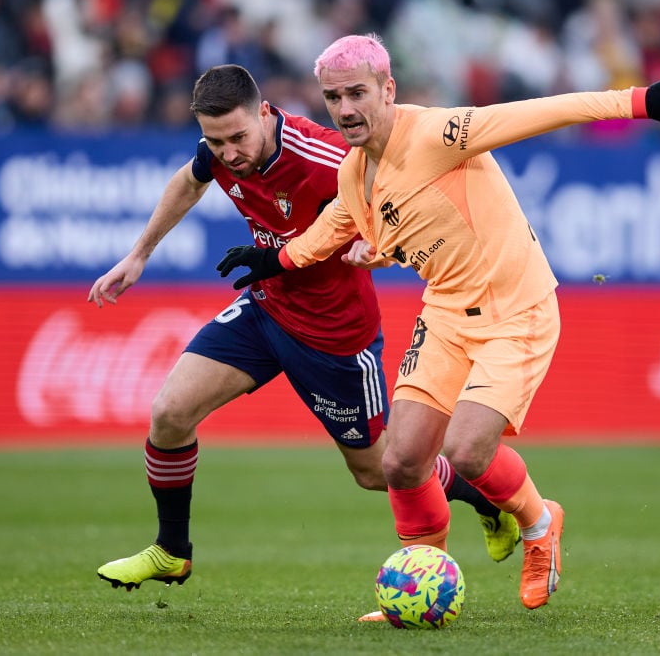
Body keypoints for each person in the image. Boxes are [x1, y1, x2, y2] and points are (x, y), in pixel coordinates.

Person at [216, 33, 660, 613]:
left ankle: (538, 524)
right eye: (334, 97)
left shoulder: (435, 133)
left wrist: (638, 103)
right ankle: (415, 585)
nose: (346, 109)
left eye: (358, 93)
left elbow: (537, 113)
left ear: (388, 89)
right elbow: (330, 231)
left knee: (468, 451)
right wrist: (273, 259)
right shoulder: (355, 172)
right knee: (402, 461)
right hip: (448, 312)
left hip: (517, 309)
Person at [87, 64, 521, 594]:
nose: (228, 153)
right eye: (215, 141)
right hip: (265, 310)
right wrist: (138, 255)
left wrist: (376, 248)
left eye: (238, 137)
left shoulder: (327, 158)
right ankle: (172, 551)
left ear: (265, 114)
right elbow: (189, 180)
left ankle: (488, 501)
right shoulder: (220, 152)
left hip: (336, 337)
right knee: (170, 414)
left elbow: (400, 204)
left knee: (379, 471)